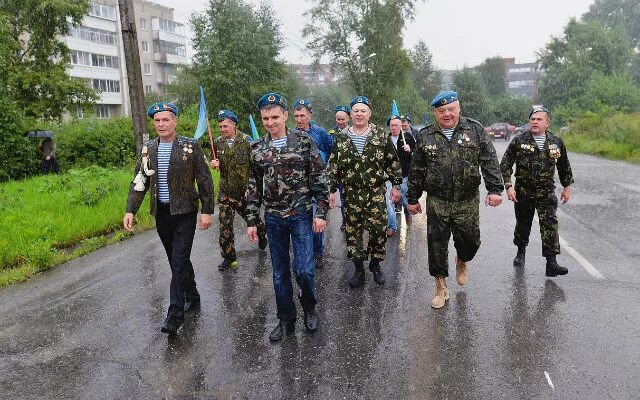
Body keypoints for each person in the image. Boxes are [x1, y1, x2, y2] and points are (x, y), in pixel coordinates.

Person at [123, 102, 214, 335]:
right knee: (177, 259)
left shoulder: (190, 146)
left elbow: (204, 179)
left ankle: (175, 315)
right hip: (162, 214)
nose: (161, 124)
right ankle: (192, 294)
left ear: (175, 121)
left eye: (166, 120)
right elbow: (139, 181)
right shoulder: (148, 149)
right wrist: (131, 210)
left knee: (178, 261)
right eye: (157, 121)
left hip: (185, 212)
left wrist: (206, 210)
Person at [406, 91, 503, 309]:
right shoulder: (425, 135)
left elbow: (489, 161)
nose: (447, 114)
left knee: (470, 241)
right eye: (442, 111)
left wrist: (495, 189)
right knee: (436, 244)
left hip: (466, 200)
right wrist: (412, 198)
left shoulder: (475, 130)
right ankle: (441, 286)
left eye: (451, 109)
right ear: (435, 113)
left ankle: (462, 258)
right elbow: (417, 170)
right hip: (437, 200)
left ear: (459, 109)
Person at [245, 92, 329, 342]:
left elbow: (319, 179)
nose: (270, 123)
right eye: (265, 119)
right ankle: (285, 319)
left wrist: (321, 212)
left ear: (285, 116)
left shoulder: (304, 142)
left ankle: (309, 307)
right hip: (273, 218)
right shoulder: (258, 149)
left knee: (304, 269)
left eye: (274, 117)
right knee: (279, 273)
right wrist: (251, 220)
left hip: (301, 214)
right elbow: (252, 186)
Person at [328, 96, 402, 288]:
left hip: (375, 192)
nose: (359, 114)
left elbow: (392, 162)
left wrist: (395, 186)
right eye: (356, 111)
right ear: (350, 114)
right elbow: (334, 166)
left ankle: (376, 265)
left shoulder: (379, 134)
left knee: (378, 231)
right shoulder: (341, 137)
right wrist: (330, 190)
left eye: (363, 111)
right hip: (351, 193)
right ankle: (358, 268)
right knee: (353, 233)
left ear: (369, 113)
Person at [500, 106, 573, 277]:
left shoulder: (556, 142)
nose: (535, 121)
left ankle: (551, 263)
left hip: (546, 192)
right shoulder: (519, 141)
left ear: (547, 123)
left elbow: (564, 167)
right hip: (523, 192)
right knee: (523, 223)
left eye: (539, 119)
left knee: (550, 226)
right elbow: (505, 164)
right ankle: (520, 252)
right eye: (532, 119)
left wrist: (567, 187)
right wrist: (509, 186)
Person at [209, 109, 267, 272]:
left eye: (225, 126)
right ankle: (229, 257)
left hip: (244, 192)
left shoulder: (247, 141)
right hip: (225, 191)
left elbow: (257, 166)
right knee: (224, 226)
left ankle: (262, 233)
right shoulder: (218, 142)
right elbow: (212, 158)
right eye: (220, 126)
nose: (222, 129)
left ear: (234, 124)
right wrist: (212, 163)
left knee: (252, 219)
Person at [293, 98, 333, 268]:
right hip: (299, 187)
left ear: (310, 115)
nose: (299, 119)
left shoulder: (321, 133)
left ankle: (317, 252)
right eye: (296, 116)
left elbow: (330, 151)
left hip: (317, 184)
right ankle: (301, 255)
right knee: (299, 222)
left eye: (302, 115)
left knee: (317, 219)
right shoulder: (291, 134)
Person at [385, 115, 416, 236]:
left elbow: (418, 153)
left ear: (401, 126)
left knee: (404, 200)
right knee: (389, 201)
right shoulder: (386, 139)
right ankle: (391, 226)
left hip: (404, 175)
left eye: (396, 125)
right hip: (390, 176)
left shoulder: (407, 137)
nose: (393, 127)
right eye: (391, 125)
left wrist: (410, 150)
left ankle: (407, 213)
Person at [328, 105, 351, 231]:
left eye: (342, 119)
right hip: (339, 172)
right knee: (343, 198)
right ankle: (345, 221)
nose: (340, 122)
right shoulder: (332, 132)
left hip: (353, 171)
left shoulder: (353, 131)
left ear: (348, 118)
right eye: (338, 119)